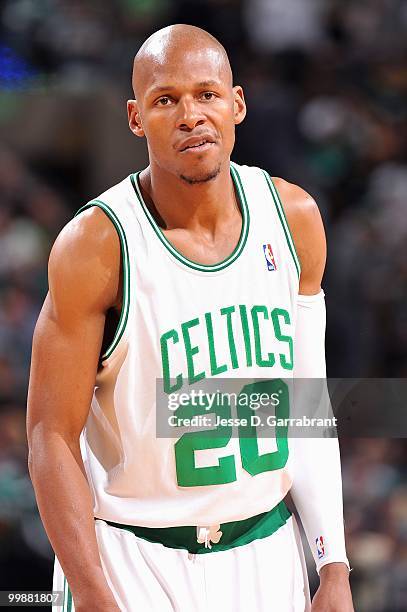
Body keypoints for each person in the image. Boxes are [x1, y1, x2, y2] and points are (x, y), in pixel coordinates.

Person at [27, 24, 354, 612]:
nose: (190, 115)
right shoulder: (97, 245)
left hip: (265, 547)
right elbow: (50, 435)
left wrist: (333, 564)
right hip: (132, 556)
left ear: (237, 104)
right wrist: (93, 592)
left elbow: (306, 406)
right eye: (165, 100)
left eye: (206, 94)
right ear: (135, 118)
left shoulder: (294, 218)